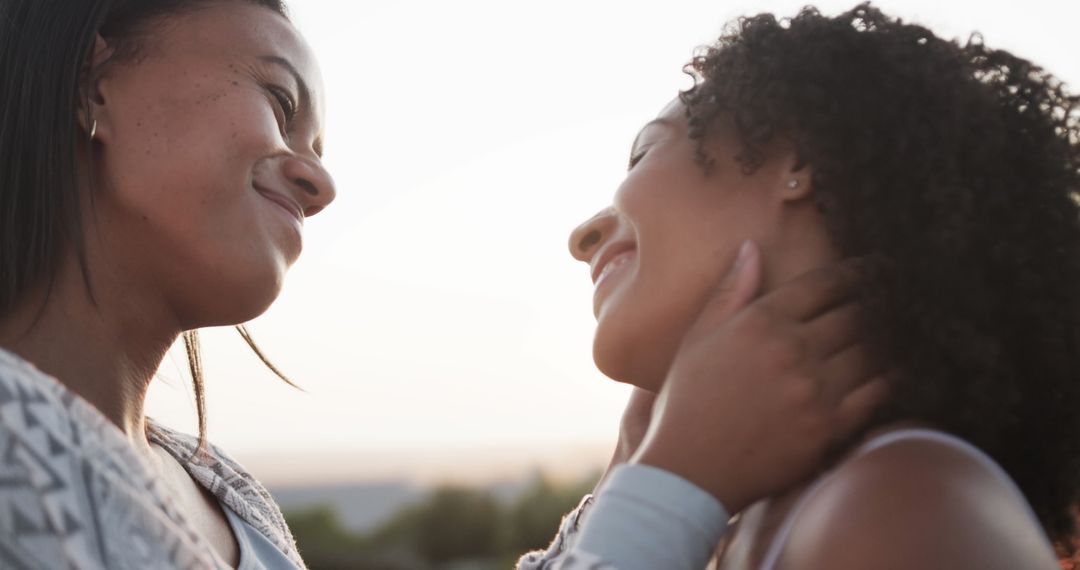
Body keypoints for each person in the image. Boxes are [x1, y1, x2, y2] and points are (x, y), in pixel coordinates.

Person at [0, 1, 887, 568]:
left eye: (321, 150)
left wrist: (635, 470)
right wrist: (675, 491)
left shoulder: (229, 497)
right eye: (279, 102)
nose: (320, 182)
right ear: (95, 83)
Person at [537, 3, 1080, 569]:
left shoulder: (898, 507)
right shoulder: (749, 523)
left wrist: (664, 491)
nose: (584, 235)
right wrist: (641, 474)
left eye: (643, 153)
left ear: (795, 157)